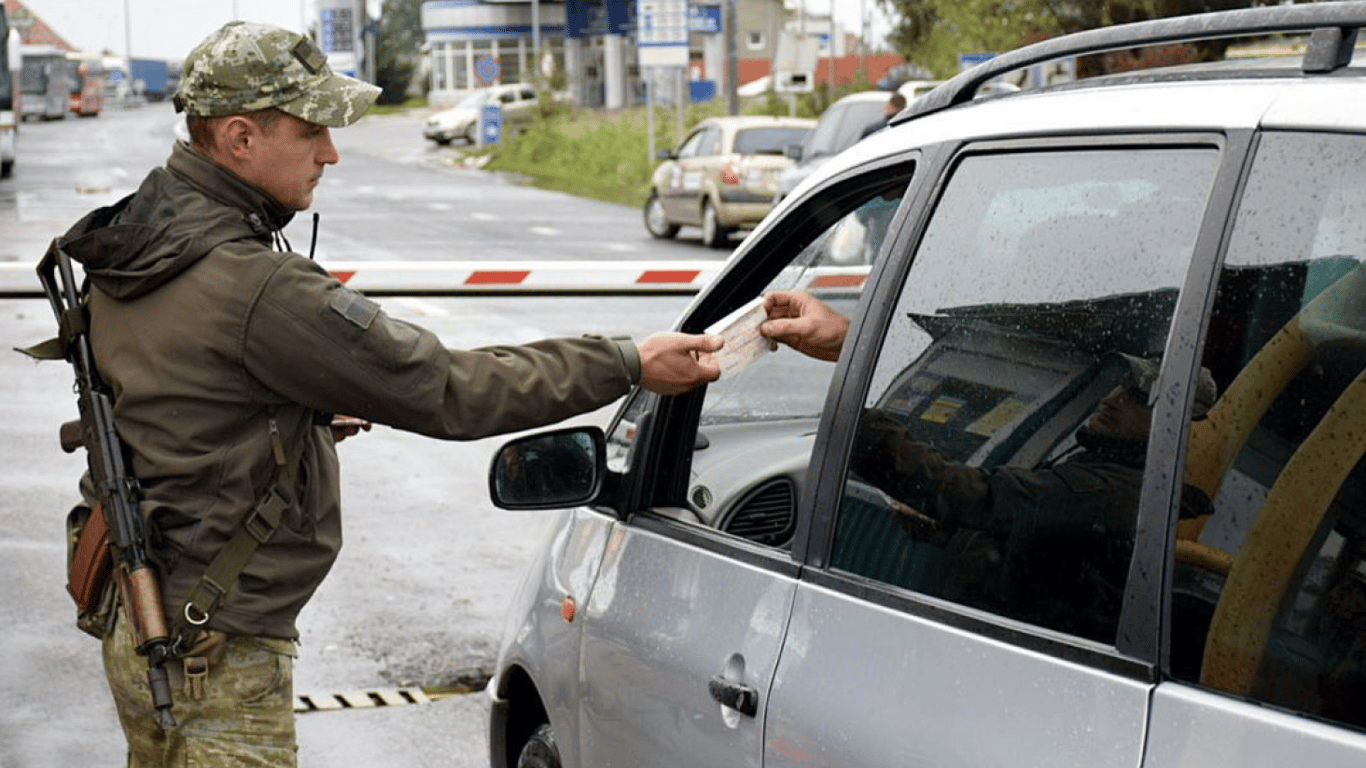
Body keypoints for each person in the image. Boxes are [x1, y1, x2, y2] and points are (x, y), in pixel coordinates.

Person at [52, 21, 722, 766]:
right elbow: (453, 391)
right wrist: (628, 360)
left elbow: (178, 403)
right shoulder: (254, 287)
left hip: (141, 618)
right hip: (214, 651)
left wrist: (291, 413)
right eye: (312, 130)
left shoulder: (136, 243)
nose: (331, 152)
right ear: (239, 138)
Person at [761, 290, 1217, 640]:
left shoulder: (1112, 489)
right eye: (1120, 385)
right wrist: (943, 528)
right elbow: (1029, 536)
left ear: (1175, 427)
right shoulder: (1102, 467)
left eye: (1140, 397)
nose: (1113, 398)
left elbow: (984, 496)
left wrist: (857, 412)